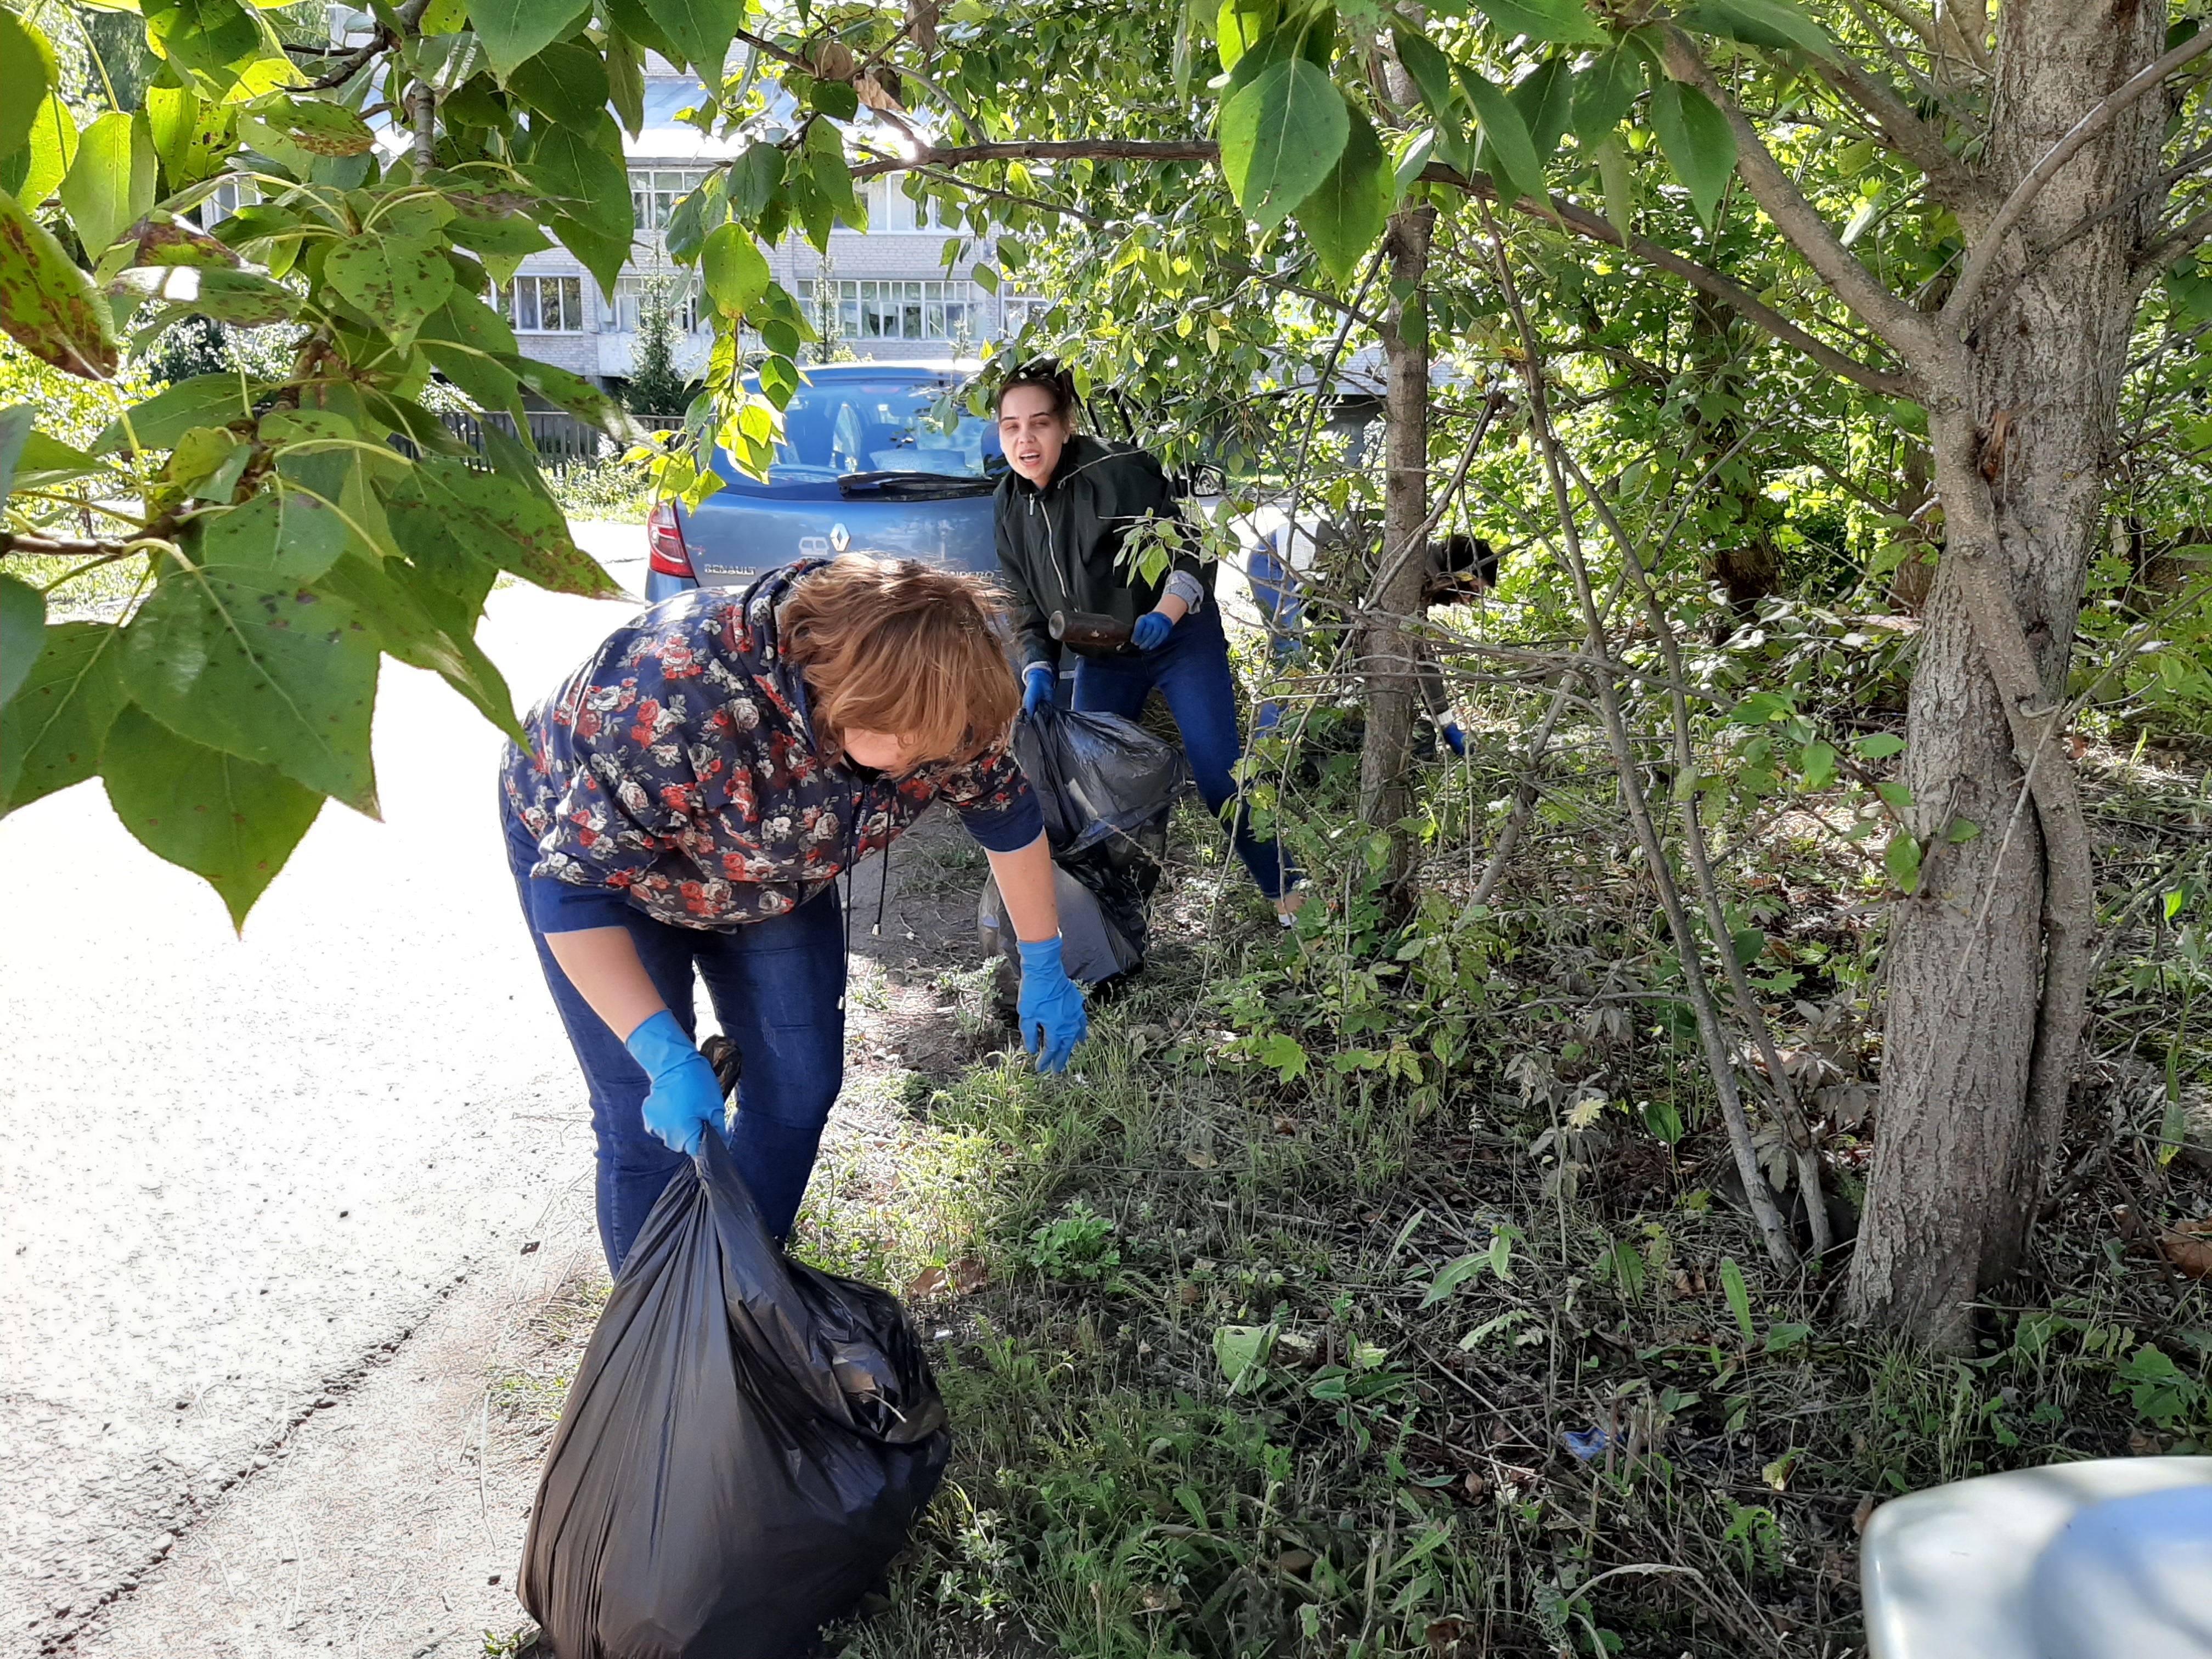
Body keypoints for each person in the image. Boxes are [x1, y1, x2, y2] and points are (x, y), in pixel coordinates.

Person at [500, 554, 1090, 1275]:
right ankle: (669, 1362)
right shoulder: (678, 694)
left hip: (768, 864)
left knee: (801, 1081)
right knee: (646, 1120)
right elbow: (572, 893)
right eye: (914, 753)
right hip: (607, 873)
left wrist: (1043, 961)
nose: (928, 770)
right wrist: (662, 1054)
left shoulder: (937, 704)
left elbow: (1006, 812)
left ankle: (742, 1294)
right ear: (843, 701)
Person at [992, 361, 1298, 917]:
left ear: (1065, 426)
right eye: (1011, 426)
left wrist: (1167, 609)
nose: (1025, 438)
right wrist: (1036, 667)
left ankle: (1293, 902)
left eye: (1038, 423)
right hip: (1105, 656)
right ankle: (1112, 921)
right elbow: (1026, 604)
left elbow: (1191, 545)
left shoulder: (1117, 471)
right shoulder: (1010, 505)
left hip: (1179, 641)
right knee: (1092, 788)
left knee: (1220, 780)